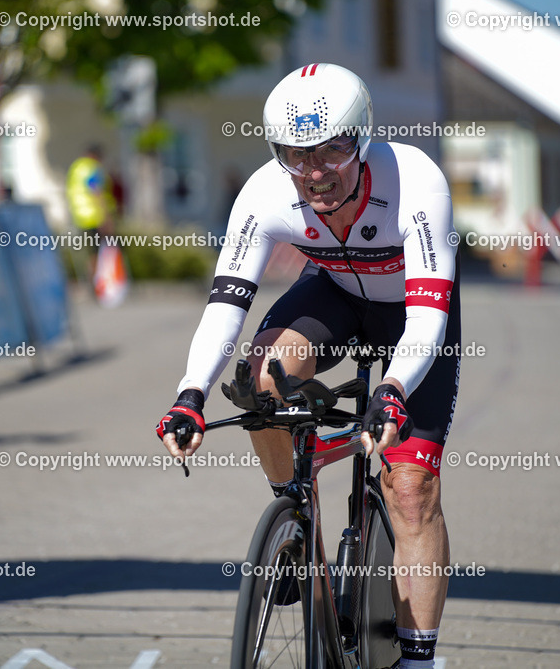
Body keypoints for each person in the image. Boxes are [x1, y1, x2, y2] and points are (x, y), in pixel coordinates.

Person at [156, 63, 460, 669]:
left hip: (412, 312)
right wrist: (190, 393)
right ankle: (296, 521)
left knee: (411, 492)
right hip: (336, 293)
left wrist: (395, 388)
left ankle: (419, 660)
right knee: (260, 383)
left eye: (332, 151)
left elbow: (428, 320)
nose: (315, 172)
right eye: (296, 155)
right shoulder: (266, 192)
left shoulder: (415, 181)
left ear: (363, 141)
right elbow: (226, 304)